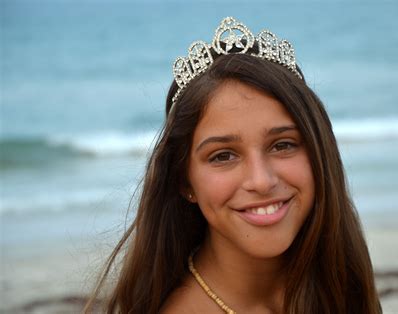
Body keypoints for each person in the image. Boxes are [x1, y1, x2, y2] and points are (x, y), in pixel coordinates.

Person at [85, 17, 381, 314]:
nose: (261, 181)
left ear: (320, 151)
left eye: (283, 145)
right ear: (185, 181)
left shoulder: (339, 284)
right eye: (223, 156)